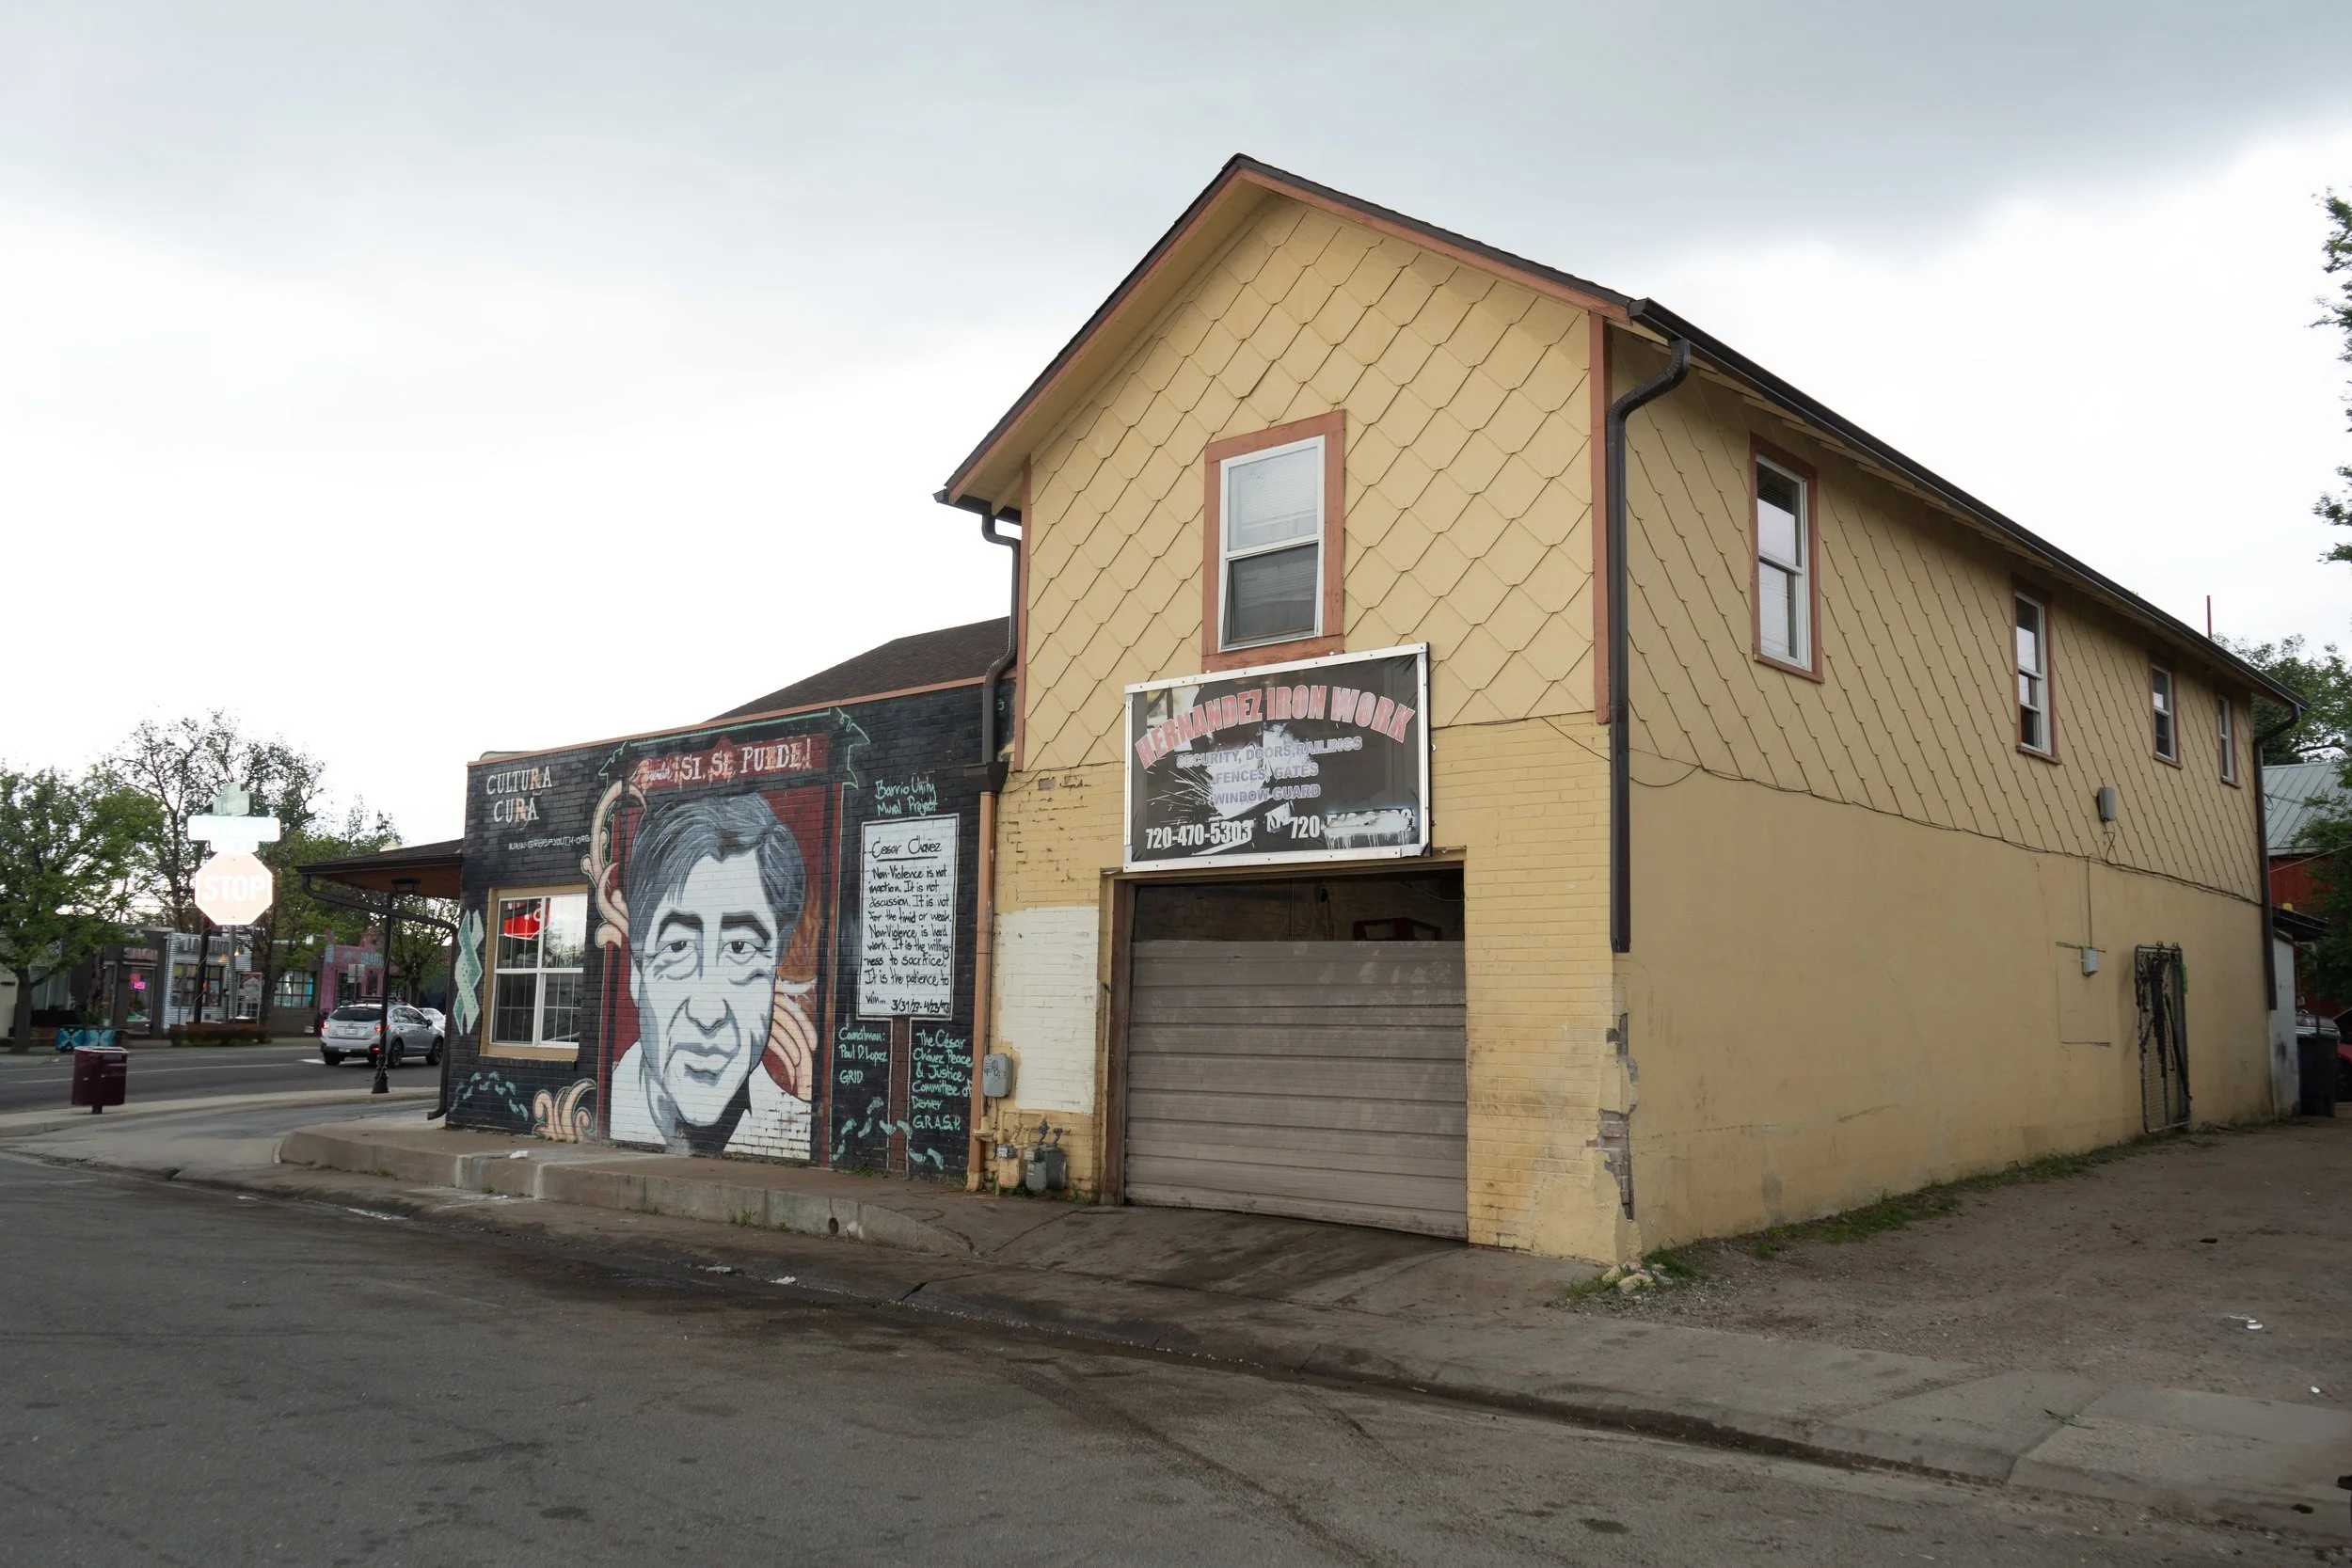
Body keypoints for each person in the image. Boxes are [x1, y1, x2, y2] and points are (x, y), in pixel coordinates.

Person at [607, 791, 814, 1158]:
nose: (708, 1013)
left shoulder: (800, 1125)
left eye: (741, 949)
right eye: (677, 948)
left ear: (774, 974)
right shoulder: (607, 1104)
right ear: (637, 973)